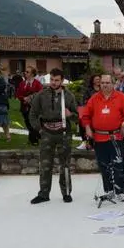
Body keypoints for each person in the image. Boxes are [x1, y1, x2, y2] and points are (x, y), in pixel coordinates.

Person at [80, 74, 124, 201]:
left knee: (118, 164)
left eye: (107, 82)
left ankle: (120, 191)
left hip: (116, 137)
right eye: (103, 83)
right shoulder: (94, 99)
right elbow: (85, 116)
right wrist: (88, 128)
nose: (105, 85)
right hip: (99, 138)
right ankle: (109, 190)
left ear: (113, 83)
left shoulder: (121, 97)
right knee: (104, 165)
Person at [28, 68, 78, 204]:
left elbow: (78, 117)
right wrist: (39, 129)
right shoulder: (41, 95)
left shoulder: (69, 96)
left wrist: (71, 115)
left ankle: (66, 192)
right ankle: (44, 194)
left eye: (57, 80)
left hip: (64, 133)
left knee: (65, 164)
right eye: (52, 80)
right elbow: (32, 114)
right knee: (45, 164)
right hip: (47, 133)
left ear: (62, 81)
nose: (54, 83)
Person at [16, 66, 43, 146]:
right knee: (28, 123)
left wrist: (31, 97)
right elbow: (18, 94)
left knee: (32, 123)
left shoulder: (37, 83)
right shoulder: (22, 83)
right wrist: (24, 98)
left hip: (34, 107)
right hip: (24, 106)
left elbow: (41, 94)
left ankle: (34, 140)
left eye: (27, 72)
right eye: (25, 71)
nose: (25, 73)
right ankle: (35, 138)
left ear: (32, 74)